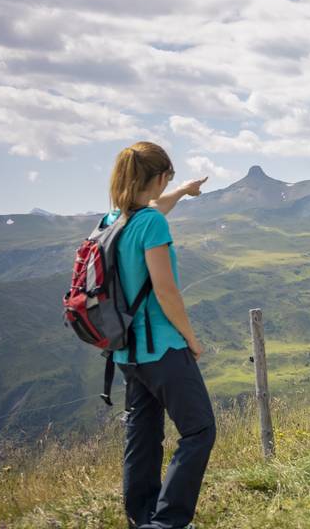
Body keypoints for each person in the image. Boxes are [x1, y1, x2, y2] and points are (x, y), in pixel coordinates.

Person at [106, 141, 214, 529]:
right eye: (168, 176)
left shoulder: (113, 220)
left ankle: (142, 516)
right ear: (156, 176)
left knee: (143, 435)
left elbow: (155, 208)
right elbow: (166, 291)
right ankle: (167, 523)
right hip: (161, 348)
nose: (169, 182)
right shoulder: (150, 225)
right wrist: (192, 339)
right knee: (200, 430)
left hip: (125, 352)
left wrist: (183, 191)